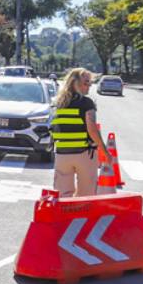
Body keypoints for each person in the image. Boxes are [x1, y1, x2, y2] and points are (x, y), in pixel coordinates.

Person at [51, 68, 112, 198]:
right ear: (75, 83)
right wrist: (104, 151)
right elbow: (92, 129)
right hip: (84, 154)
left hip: (62, 154)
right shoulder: (86, 103)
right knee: (86, 195)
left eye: (90, 83)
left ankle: (64, 218)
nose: (89, 86)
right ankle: (80, 218)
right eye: (86, 83)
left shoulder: (58, 103)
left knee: (62, 195)